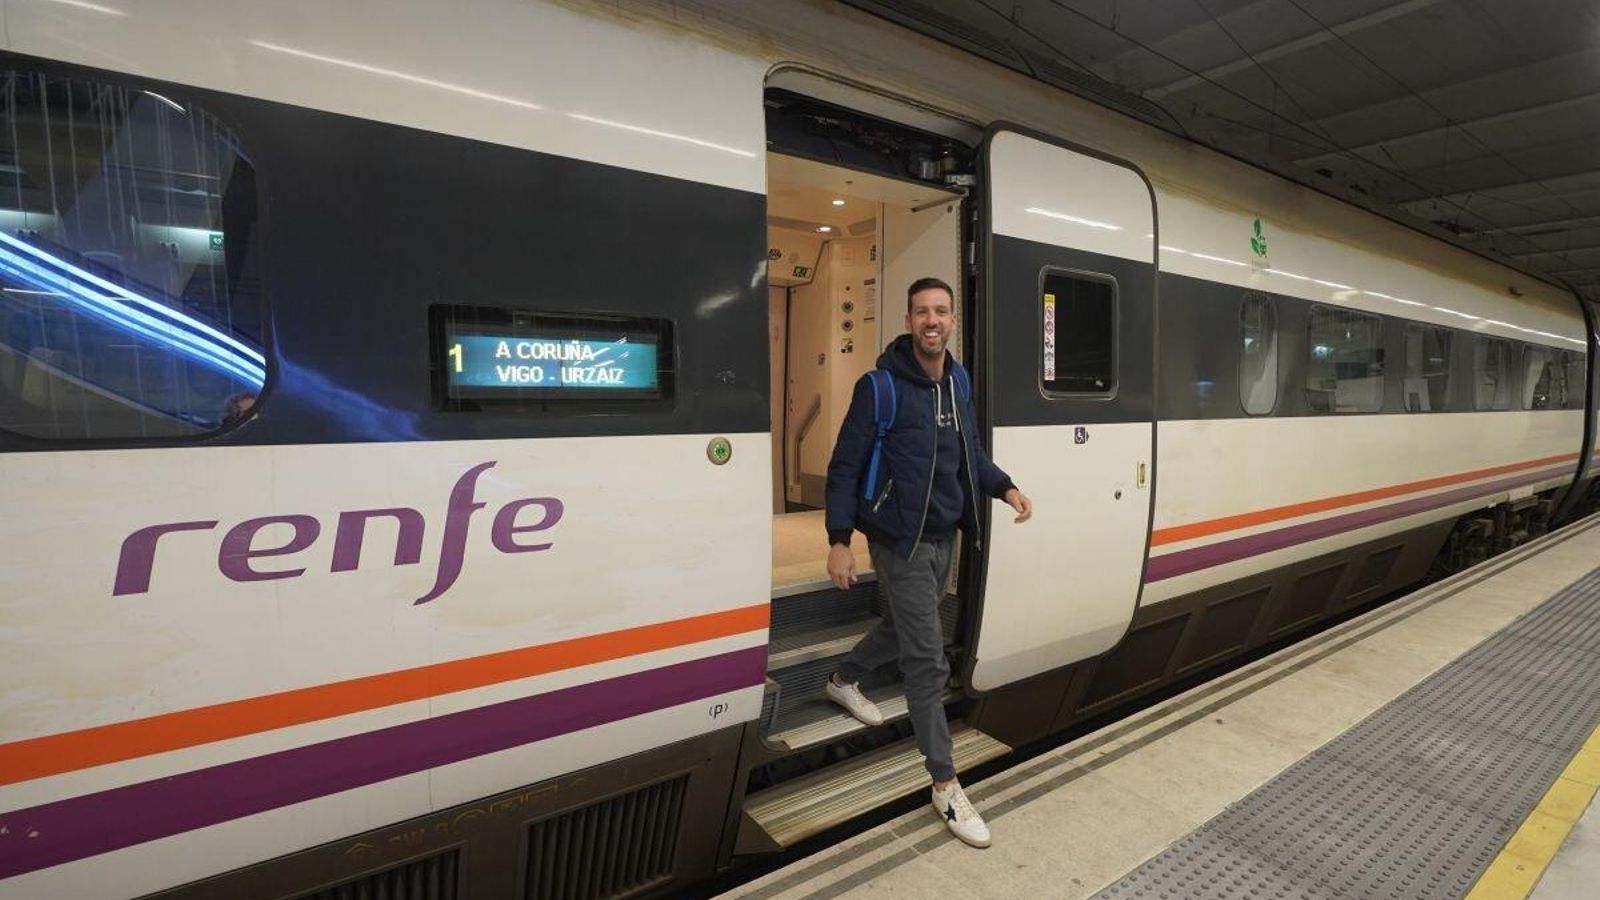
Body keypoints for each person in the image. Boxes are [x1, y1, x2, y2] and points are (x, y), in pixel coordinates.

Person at [822, 276, 1032, 849]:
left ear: (953, 319)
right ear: (909, 319)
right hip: (899, 541)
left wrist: (1005, 487)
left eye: (941, 311)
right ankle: (944, 782)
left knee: (906, 627)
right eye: (921, 312)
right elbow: (844, 465)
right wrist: (840, 539)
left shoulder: (958, 381)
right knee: (926, 657)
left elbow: (970, 453)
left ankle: (843, 679)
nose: (931, 321)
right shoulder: (881, 386)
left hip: (946, 535)